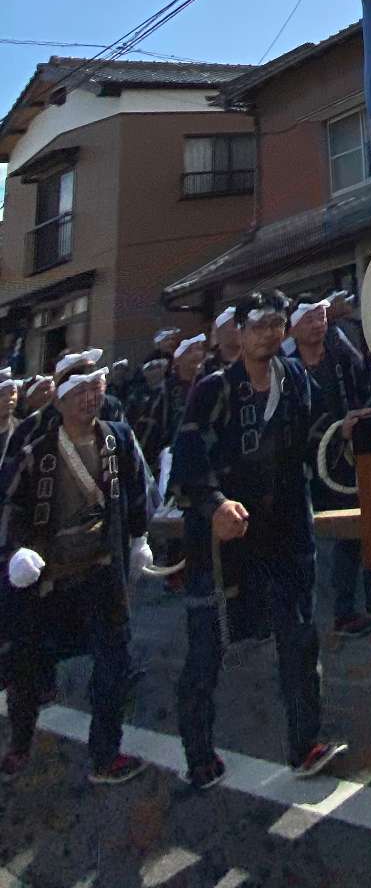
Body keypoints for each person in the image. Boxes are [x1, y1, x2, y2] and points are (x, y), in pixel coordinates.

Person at [170, 292, 345, 789]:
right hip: (227, 534)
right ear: (240, 333)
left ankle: (305, 743)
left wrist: (340, 434)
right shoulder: (213, 389)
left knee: (299, 635)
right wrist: (213, 506)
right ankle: (199, 753)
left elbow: (311, 439)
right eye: (260, 325)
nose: (270, 333)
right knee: (207, 649)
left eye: (276, 324)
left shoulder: (294, 380)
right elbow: (188, 461)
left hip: (285, 528)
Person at [0, 364, 151, 785]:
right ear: (61, 399)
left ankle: (106, 753)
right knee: (27, 666)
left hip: (103, 570)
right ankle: (20, 741)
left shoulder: (118, 439)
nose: (90, 397)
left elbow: (137, 491)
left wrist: (139, 538)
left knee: (114, 662)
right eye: (80, 390)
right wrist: (17, 552)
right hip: (49, 577)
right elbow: (11, 504)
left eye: (96, 388)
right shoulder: (38, 447)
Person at [290, 300, 371, 635]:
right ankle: (343, 611)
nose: (318, 324)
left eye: (321, 317)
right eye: (310, 318)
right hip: (318, 460)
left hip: (354, 450)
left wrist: (363, 414)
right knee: (343, 532)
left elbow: (366, 388)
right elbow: (293, 420)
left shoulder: (341, 356)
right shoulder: (290, 370)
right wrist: (333, 429)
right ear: (295, 327)